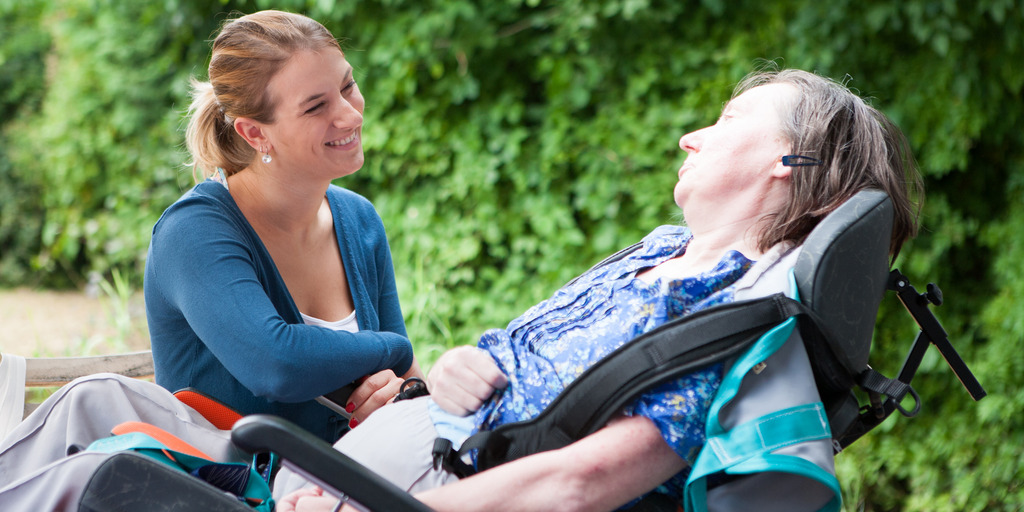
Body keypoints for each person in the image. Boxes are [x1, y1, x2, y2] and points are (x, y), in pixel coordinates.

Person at [0, 66, 922, 512]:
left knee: (96, 477)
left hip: (365, 492)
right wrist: (442, 369)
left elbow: (576, 480)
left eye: (721, 125)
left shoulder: (719, 325)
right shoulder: (658, 258)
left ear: (784, 172)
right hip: (358, 452)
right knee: (96, 397)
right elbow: (513, 375)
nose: (689, 137)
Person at [143, 9, 422, 444]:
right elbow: (276, 365)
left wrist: (399, 391)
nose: (350, 116)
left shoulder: (360, 220)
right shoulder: (193, 232)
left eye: (347, 85)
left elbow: (408, 389)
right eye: (316, 106)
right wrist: (395, 350)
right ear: (255, 134)